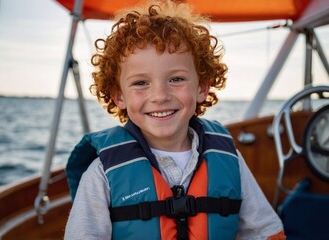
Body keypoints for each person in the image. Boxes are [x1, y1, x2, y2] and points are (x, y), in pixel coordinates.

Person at [64, 1, 285, 239]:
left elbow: (264, 231)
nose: (160, 96)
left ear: (201, 88)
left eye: (176, 79)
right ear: (119, 96)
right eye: (141, 83)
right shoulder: (101, 173)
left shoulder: (230, 159)